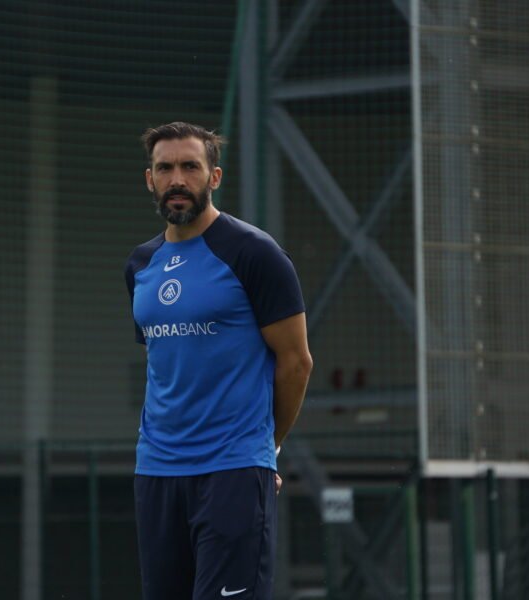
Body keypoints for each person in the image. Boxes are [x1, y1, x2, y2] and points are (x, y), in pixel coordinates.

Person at [124, 121, 313, 600]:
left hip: (232, 470)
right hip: (157, 473)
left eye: (191, 166)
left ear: (215, 177)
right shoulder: (140, 266)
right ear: (150, 179)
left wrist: (264, 448)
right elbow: (165, 364)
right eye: (164, 168)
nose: (177, 179)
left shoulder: (254, 253)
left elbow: (296, 363)